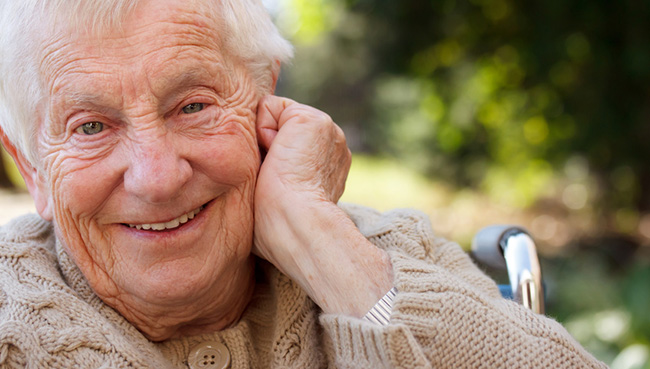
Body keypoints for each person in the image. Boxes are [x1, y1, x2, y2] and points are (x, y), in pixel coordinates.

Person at [0, 0, 607, 368]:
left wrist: (325, 247)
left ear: (266, 97)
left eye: (192, 106)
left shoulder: (386, 256)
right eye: (91, 126)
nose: (157, 178)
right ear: (31, 168)